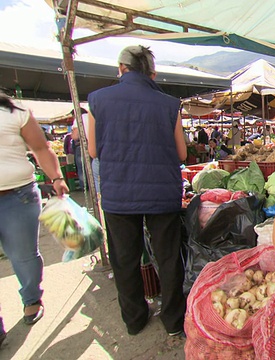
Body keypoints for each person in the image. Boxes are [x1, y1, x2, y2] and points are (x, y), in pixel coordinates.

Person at [86, 45, 187, 338]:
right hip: (162, 193)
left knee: (125, 260)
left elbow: (93, 150)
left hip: (119, 194)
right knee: (168, 257)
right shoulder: (170, 104)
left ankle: (135, 320)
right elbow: (181, 153)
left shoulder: (97, 100)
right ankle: (173, 321)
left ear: (121, 69)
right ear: (152, 73)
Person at [0, 92, 69, 339]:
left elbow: (40, 148)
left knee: (23, 256)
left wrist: (58, 178)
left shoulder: (15, 111)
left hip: (17, 196)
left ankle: (31, 298)